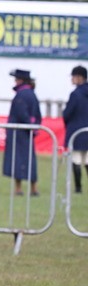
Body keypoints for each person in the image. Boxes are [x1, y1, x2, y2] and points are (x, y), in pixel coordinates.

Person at [3, 68, 40, 197]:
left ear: (21, 80)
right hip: (28, 133)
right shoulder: (32, 94)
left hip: (19, 132)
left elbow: (21, 113)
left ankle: (18, 188)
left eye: (16, 79)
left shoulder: (21, 95)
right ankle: (33, 188)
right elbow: (37, 114)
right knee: (30, 160)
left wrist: (28, 125)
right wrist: (34, 128)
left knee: (17, 160)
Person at [63, 65, 88, 194]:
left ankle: (78, 188)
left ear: (79, 78)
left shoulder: (75, 94)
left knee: (76, 159)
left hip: (76, 132)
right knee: (87, 159)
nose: (72, 79)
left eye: (73, 76)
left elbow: (67, 113)